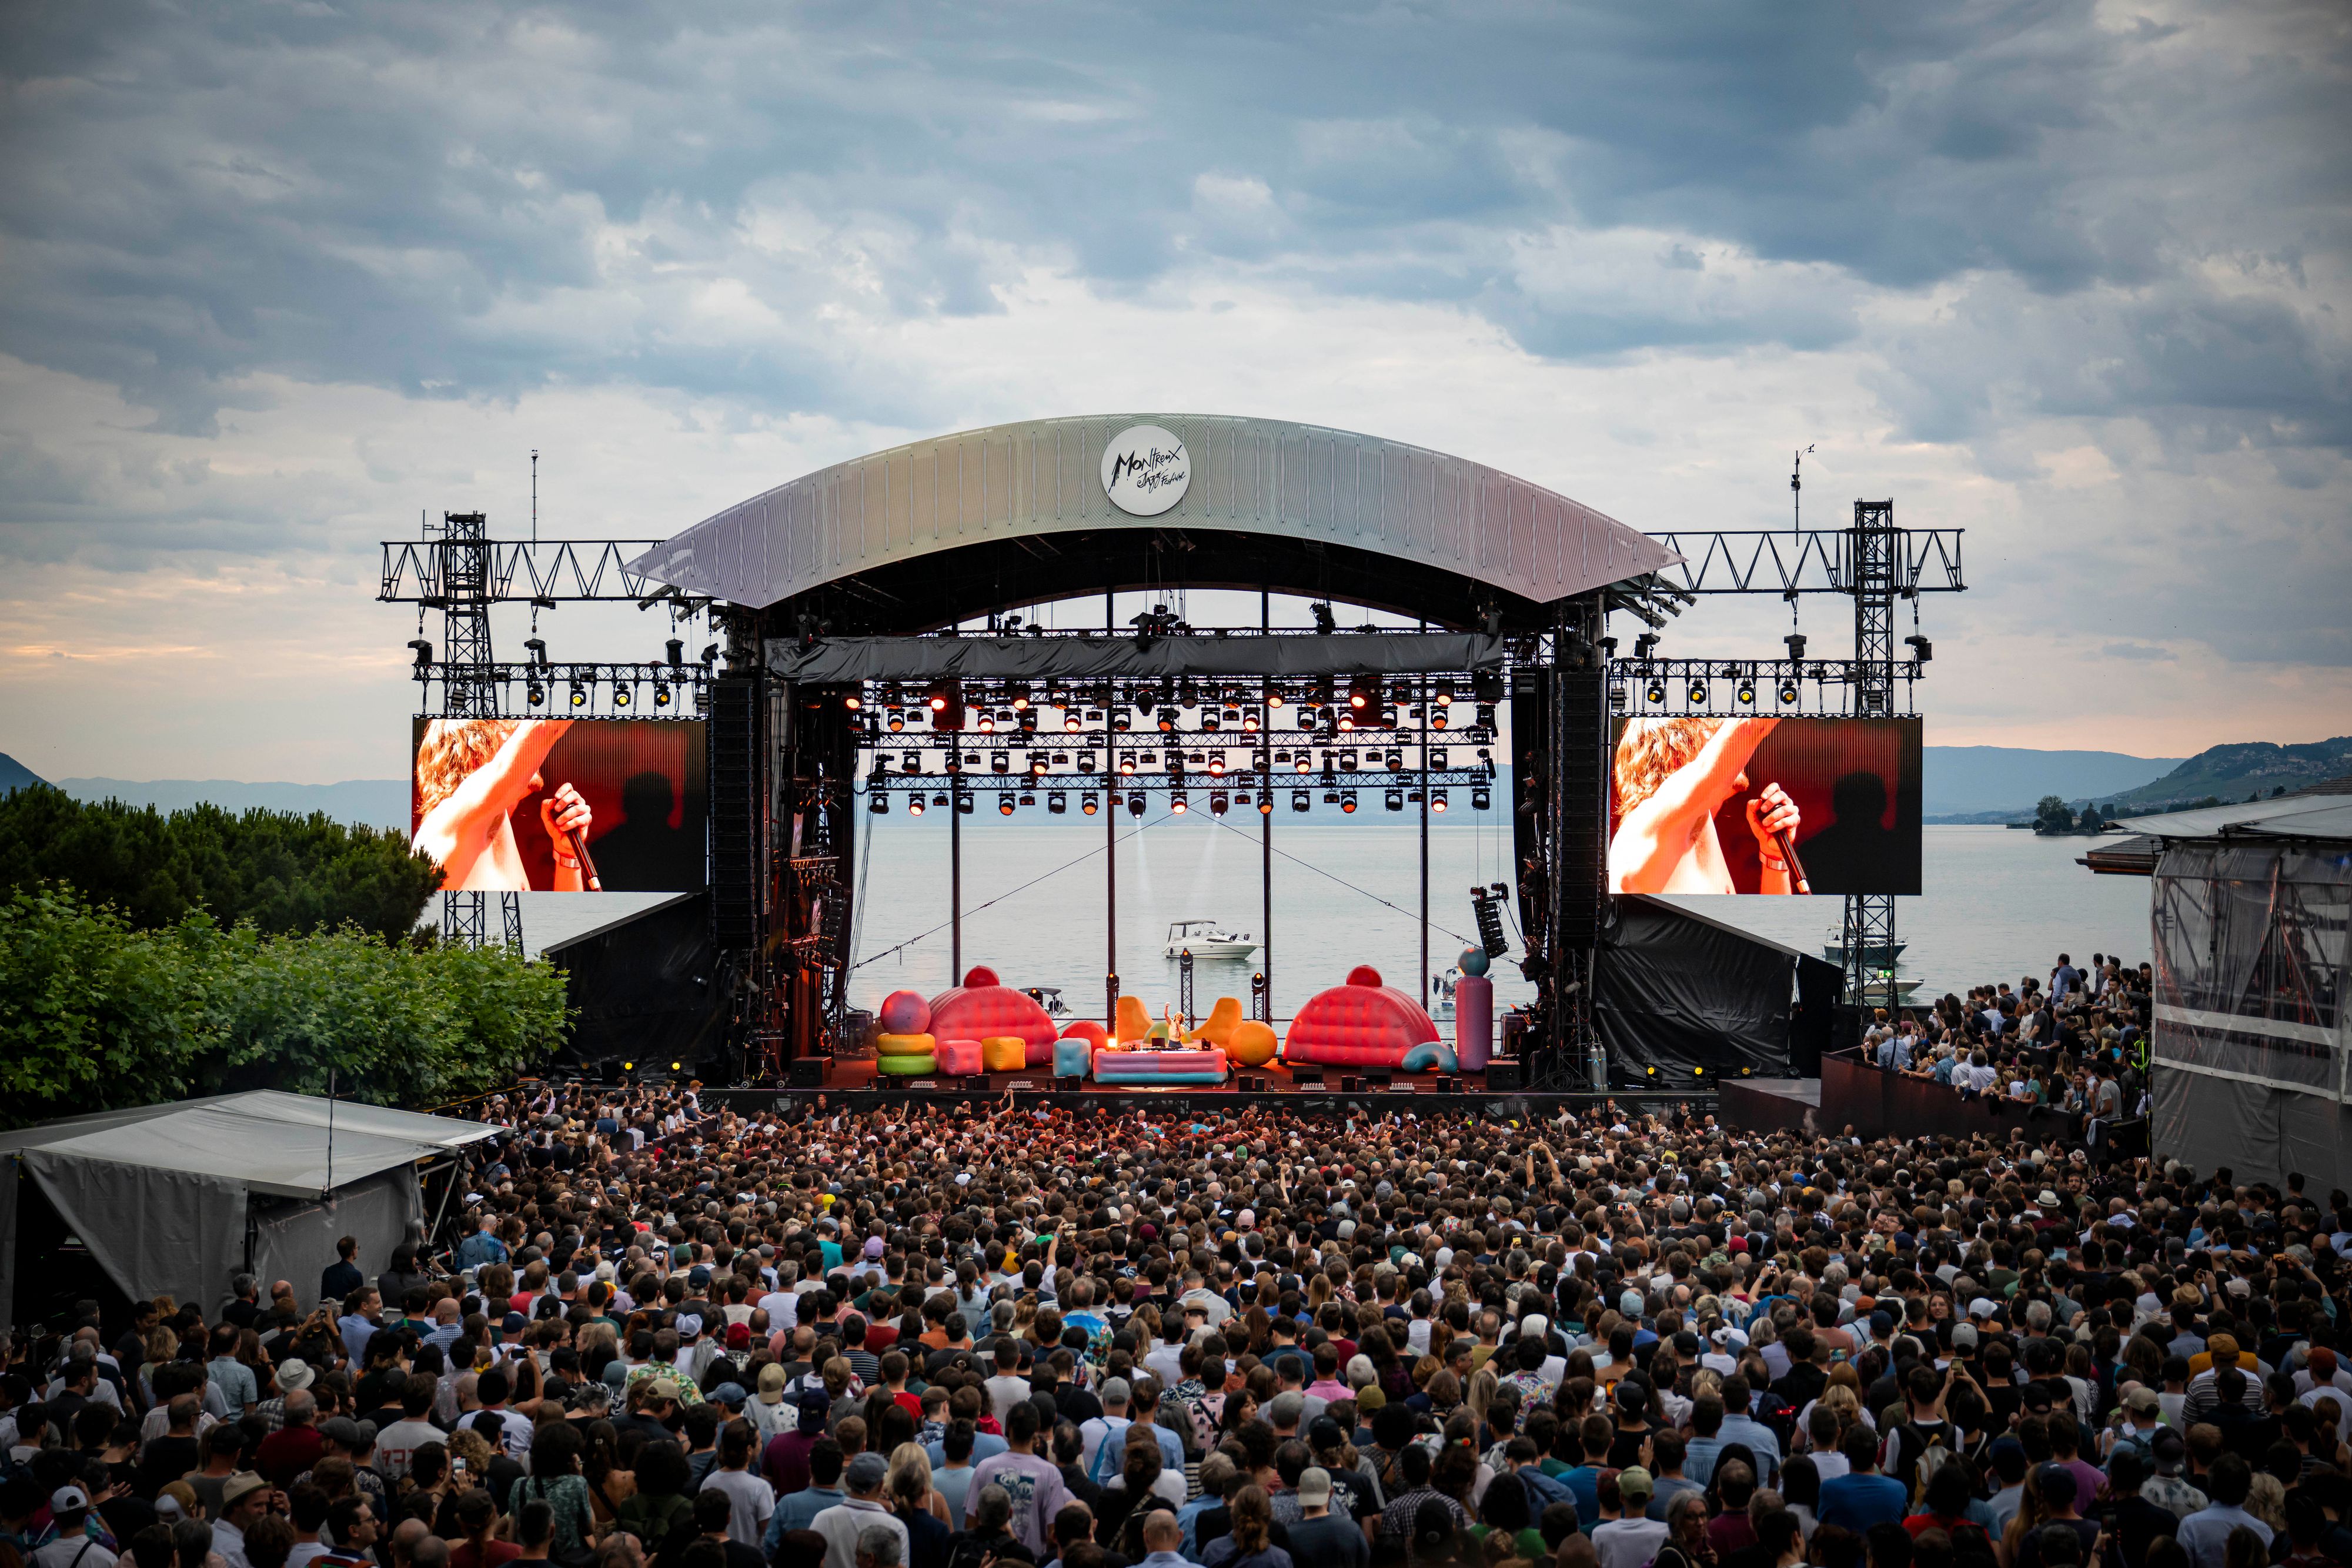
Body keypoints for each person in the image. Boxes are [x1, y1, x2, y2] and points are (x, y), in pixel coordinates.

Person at [1607, 716, 1802, 895]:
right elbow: (1748, 727)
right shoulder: (1645, 824)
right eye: (1713, 724)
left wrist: (1774, 856)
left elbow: (1772, 930)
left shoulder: (1702, 833)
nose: (1724, 725)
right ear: (1675, 755)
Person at [410, 717, 596, 893]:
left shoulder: (498, 830)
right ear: (475, 754)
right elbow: (542, 728)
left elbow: (564, 925)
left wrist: (567, 854)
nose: (521, 729)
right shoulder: (447, 820)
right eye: (513, 728)